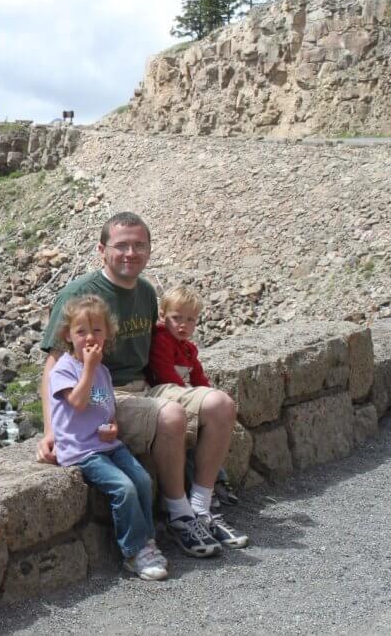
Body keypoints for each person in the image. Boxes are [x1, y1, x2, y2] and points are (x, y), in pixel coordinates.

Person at [36, 212, 244, 557]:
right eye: (121, 246)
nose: (130, 253)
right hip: (106, 393)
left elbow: (155, 351)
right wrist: (51, 430)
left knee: (220, 404)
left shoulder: (146, 292)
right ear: (102, 250)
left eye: (138, 246)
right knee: (171, 416)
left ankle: (201, 509)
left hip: (147, 387)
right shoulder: (80, 293)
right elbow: (54, 364)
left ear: (148, 250)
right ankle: (179, 516)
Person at [49, 294, 167, 580]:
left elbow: (106, 405)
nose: (90, 337)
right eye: (81, 331)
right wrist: (88, 368)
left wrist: (112, 425)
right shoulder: (64, 368)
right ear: (68, 335)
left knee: (142, 479)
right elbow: (77, 402)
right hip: (81, 450)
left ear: (108, 334)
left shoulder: (102, 370)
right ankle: (133, 551)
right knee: (123, 488)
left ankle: (147, 541)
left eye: (97, 330)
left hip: (106, 442)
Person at [148, 284, 248, 547]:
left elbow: (199, 377)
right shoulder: (161, 340)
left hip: (180, 394)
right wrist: (193, 396)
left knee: (215, 416)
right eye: (176, 318)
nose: (183, 325)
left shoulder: (189, 349)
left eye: (190, 320)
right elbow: (165, 373)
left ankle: (204, 503)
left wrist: (207, 394)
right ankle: (200, 505)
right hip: (165, 393)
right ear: (163, 316)